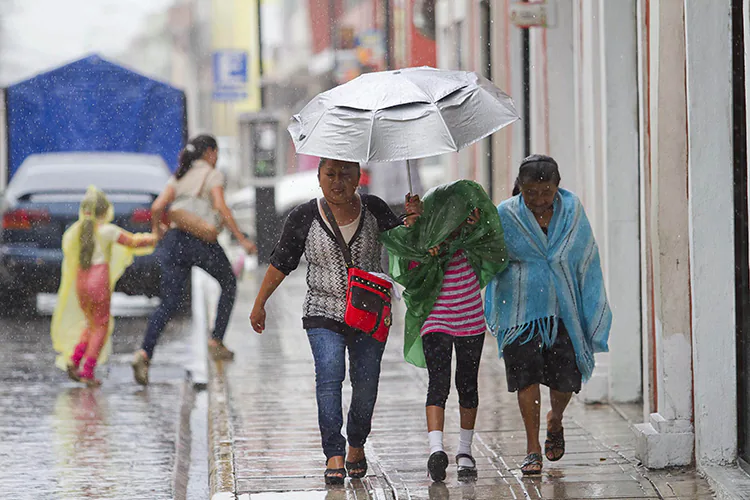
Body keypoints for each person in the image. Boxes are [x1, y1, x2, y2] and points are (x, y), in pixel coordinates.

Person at [249, 158, 403, 485]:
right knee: (330, 375)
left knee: (366, 383)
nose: (337, 182)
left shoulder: (374, 209)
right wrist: (259, 303)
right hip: (323, 311)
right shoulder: (304, 216)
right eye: (329, 175)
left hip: (369, 314)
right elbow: (282, 262)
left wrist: (413, 220)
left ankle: (357, 441)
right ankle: (334, 450)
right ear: (318, 178)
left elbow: (407, 244)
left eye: (345, 174)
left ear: (358, 177)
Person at [485, 155, 612, 475]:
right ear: (520, 188)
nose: (539, 200)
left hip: (563, 308)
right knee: (525, 378)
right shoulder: (506, 214)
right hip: (519, 311)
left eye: (546, 192)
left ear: (557, 186)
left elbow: (587, 257)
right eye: (531, 193)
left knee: (565, 379)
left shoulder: (572, 212)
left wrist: (588, 306)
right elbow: (490, 256)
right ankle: (532, 447)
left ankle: (555, 419)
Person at [381, 180, 508, 482]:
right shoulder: (423, 237)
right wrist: (413, 223)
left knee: (467, 384)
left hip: (471, 321)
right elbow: (408, 266)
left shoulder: (472, 236)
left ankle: (464, 451)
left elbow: (495, 248)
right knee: (438, 383)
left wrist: (477, 224)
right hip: (436, 319)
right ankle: (436, 450)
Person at [132, 134, 257, 386]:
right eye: (216, 152)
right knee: (229, 283)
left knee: (168, 303)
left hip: (175, 240)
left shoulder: (179, 175)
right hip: (201, 242)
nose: (217, 157)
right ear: (209, 152)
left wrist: (158, 232)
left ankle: (145, 353)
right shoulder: (212, 174)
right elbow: (221, 207)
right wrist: (241, 238)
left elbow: (158, 207)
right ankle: (216, 340)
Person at [51, 186, 156, 386]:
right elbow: (133, 242)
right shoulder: (108, 231)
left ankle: (75, 360)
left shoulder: (78, 231)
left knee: (90, 324)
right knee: (101, 326)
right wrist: (156, 238)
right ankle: (88, 371)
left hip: (81, 280)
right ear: (105, 210)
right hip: (98, 281)